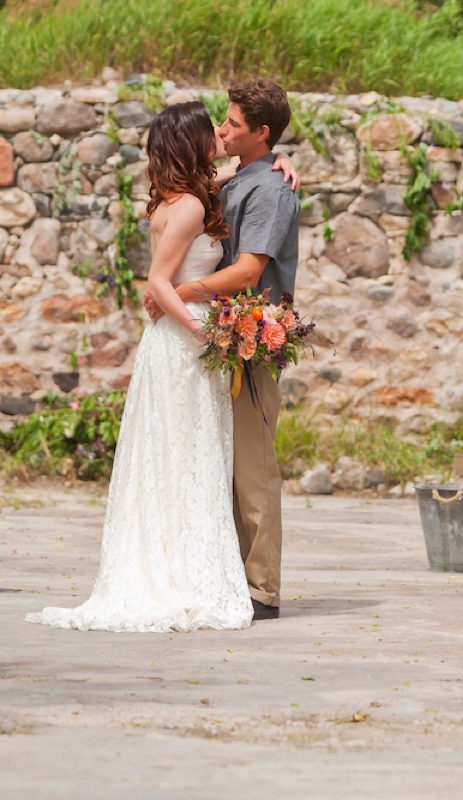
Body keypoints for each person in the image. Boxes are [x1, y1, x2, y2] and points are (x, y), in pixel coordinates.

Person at [26, 101, 267, 632]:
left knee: (182, 455)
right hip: (183, 345)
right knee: (188, 452)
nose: (218, 137)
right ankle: (177, 575)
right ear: (190, 143)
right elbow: (157, 282)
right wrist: (203, 330)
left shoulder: (181, 196)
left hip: (173, 343)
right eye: (209, 132)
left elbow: (236, 172)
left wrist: (280, 162)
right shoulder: (185, 208)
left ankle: (177, 560)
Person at [156, 80, 300, 621]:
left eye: (234, 124)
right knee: (222, 462)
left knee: (253, 467)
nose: (222, 129)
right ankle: (229, 577)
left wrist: (174, 291)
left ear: (261, 133)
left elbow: (247, 270)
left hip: (252, 340)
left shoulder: (269, 190)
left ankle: (262, 589)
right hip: (221, 336)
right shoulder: (240, 177)